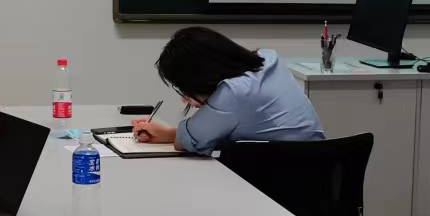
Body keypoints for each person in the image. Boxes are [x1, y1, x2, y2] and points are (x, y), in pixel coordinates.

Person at [132, 26, 324, 153]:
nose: (185, 99)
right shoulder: (268, 59)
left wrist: (174, 133)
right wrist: (167, 133)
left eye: (186, 91)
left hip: (285, 180)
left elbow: (184, 142)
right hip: (321, 167)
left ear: (199, 78)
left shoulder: (232, 93)